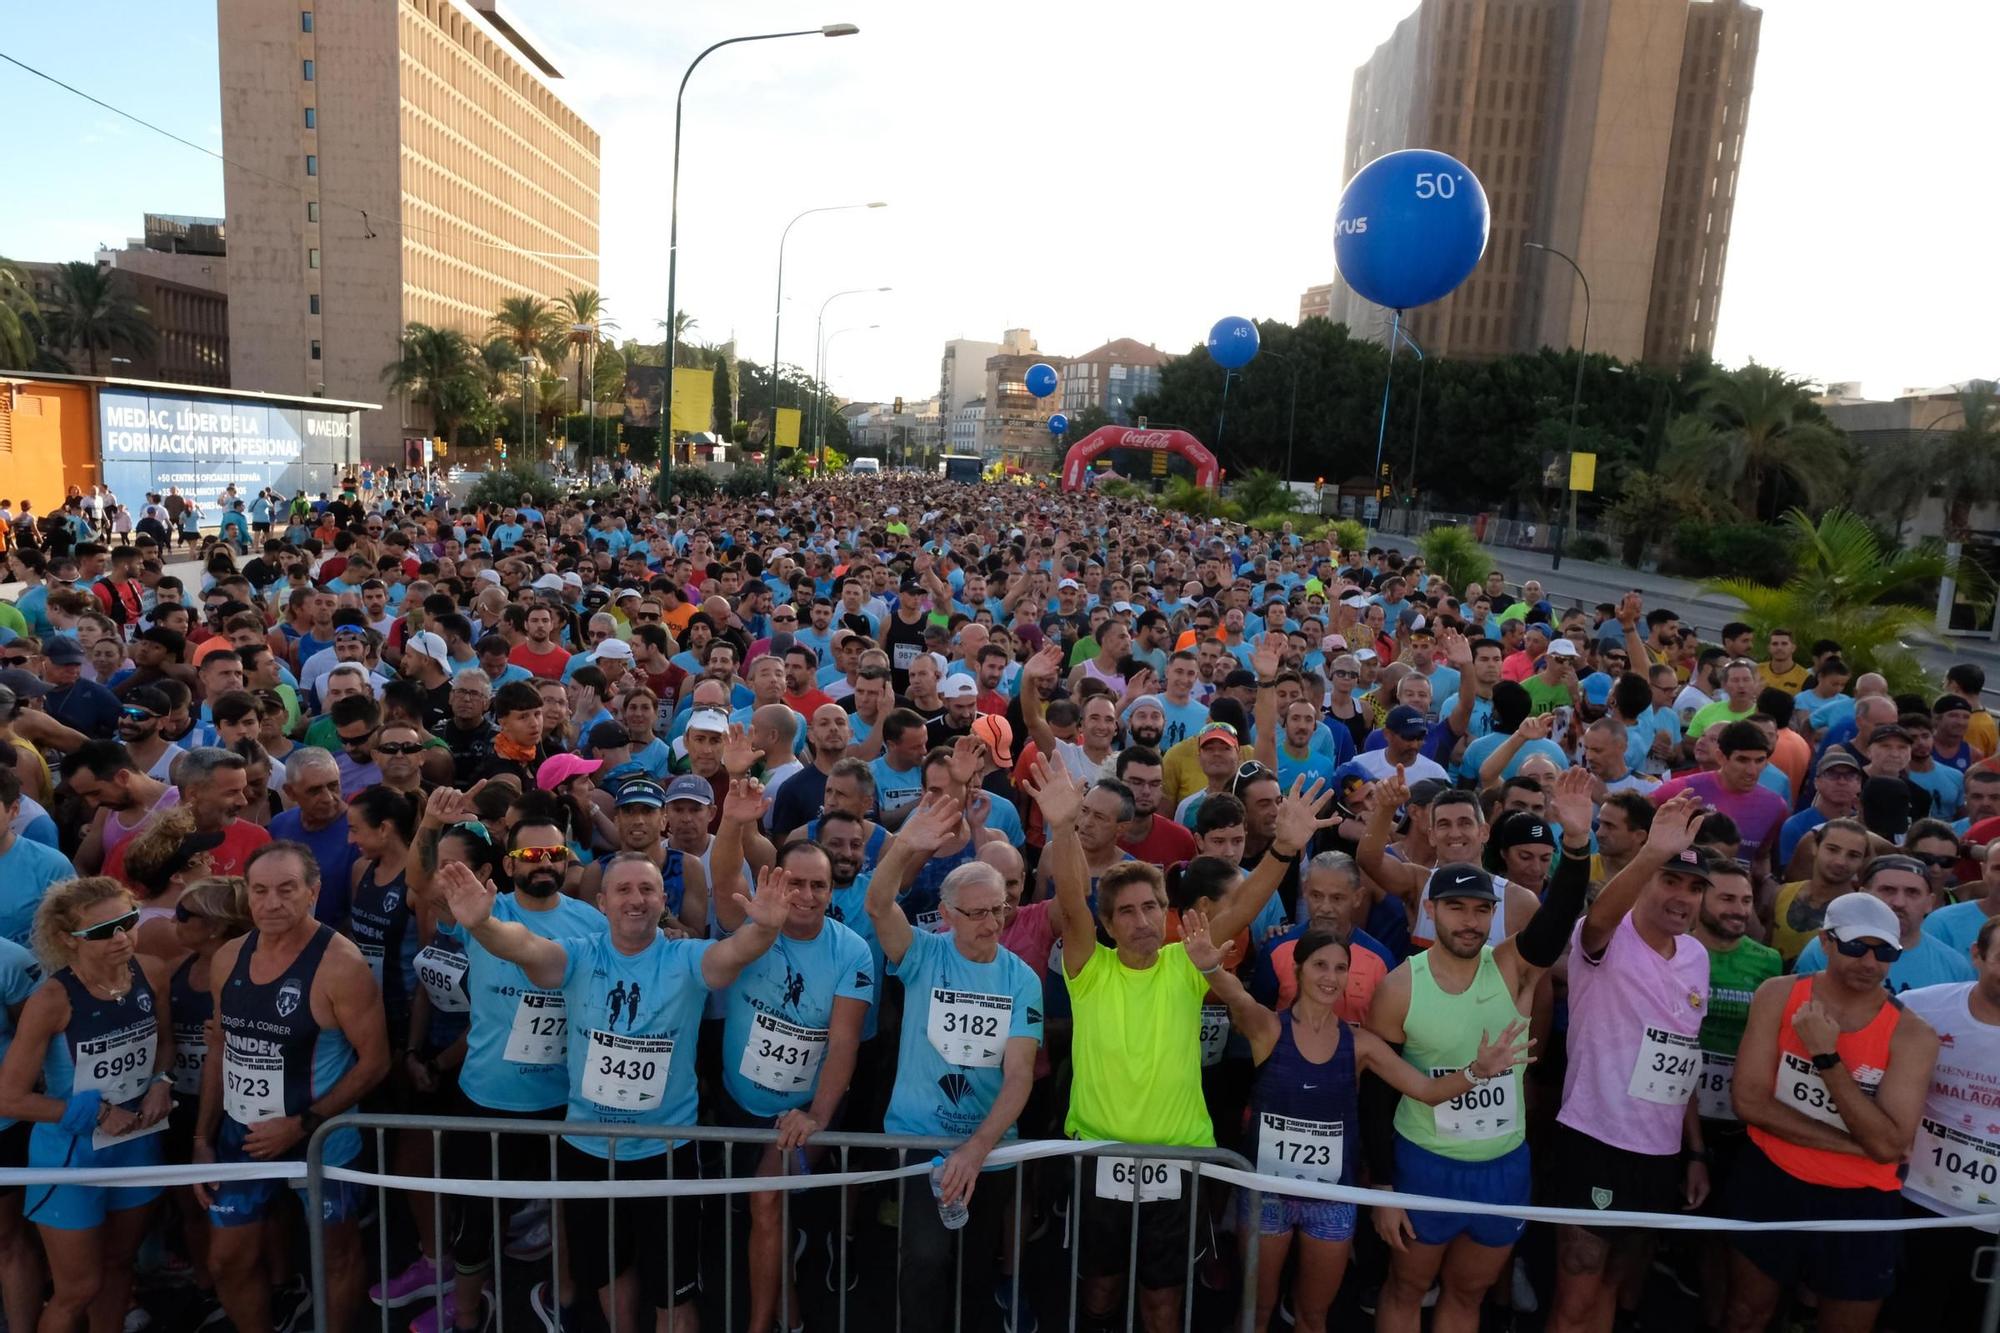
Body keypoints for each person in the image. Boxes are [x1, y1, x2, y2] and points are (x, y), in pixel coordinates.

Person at [434, 837, 800, 1333]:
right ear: (601, 902)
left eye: (647, 889)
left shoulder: (685, 959)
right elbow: (522, 946)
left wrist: (767, 927)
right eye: (623, 889)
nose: (636, 899)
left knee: (673, 1294)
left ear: (663, 899)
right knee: (609, 1277)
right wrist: (481, 923)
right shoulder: (578, 956)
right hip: (588, 1150)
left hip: (664, 1153)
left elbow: (733, 953)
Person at [1031, 754, 1334, 1333]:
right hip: (1098, 1159)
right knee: (1098, 1293)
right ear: (1109, 923)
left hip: (1179, 1160)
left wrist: (1284, 850)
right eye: (1126, 911)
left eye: (1151, 906)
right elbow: (1071, 902)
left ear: (1166, 911)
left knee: (1163, 1304)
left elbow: (1243, 905)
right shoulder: (1087, 969)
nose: (1142, 919)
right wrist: (1064, 828)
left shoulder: (1185, 962)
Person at [1197, 912, 1531, 1333]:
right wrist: (1209, 965)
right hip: (1268, 1195)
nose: (1330, 977)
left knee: (1314, 1315)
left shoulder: (1361, 1045)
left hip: (1332, 1201)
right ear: (1297, 969)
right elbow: (1236, 996)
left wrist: (1477, 1072)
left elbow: (1425, 1091)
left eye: (1340, 968)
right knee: (1256, 1312)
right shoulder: (1269, 1029)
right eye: (1320, 965)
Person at [1367, 769, 1600, 1333]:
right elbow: (1375, 1090)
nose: (1469, 922)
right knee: (1406, 1288)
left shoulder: (1511, 965)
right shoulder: (1400, 986)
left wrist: (1575, 843)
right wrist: (1380, 1188)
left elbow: (1558, 915)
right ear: (1433, 912)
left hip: (1501, 1164)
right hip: (1424, 1162)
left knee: (1468, 1294)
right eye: (1455, 909)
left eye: (1479, 911)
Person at [194, 841, 389, 1333]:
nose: (271, 902)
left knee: (335, 1256)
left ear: (313, 893)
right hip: (243, 1137)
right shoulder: (228, 958)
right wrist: (203, 1138)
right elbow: (222, 1049)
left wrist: (303, 1124)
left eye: (286, 890)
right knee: (228, 1261)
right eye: (260, 891)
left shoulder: (340, 966)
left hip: (320, 1141)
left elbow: (375, 1061)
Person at [1723, 892, 1940, 1333]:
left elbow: (1887, 1144)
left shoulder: (1912, 1035)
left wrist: (1826, 1056)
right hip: (1773, 1178)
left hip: (1860, 1203)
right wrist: (1853, 1144)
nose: (1870, 962)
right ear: (1826, 941)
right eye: (1857, 946)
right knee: (1745, 1315)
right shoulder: (1779, 994)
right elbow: (1748, 1103)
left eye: (1886, 952)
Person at [864, 795, 1042, 1331]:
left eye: (1000, 910)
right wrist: (905, 847)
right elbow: (877, 906)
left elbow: (1018, 1074)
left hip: (987, 1151)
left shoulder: (1021, 978)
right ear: (947, 915)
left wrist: (977, 1149)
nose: (993, 922)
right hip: (922, 1142)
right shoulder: (923, 953)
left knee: (972, 1268)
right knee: (924, 1259)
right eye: (978, 912)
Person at [711, 779, 874, 1333]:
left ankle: (764, 1326)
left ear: (833, 892)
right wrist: (733, 822)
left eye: (819, 887)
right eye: (796, 883)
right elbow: (722, 878)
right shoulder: (756, 924)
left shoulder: (850, 949)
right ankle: (792, 1305)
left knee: (764, 1207)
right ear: (777, 881)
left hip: (798, 1113)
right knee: (760, 1215)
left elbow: (843, 1043)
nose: (806, 896)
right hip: (739, 1103)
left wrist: (816, 1117)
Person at [0, 876, 173, 1333]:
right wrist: (94, 1113)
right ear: (66, 941)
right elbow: (9, 1098)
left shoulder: (152, 971)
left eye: (128, 922)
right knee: (77, 1289)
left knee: (119, 1268)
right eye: (102, 932)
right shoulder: (52, 1000)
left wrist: (160, 1081)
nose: (121, 938)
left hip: (136, 1143)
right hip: (70, 1156)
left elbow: (165, 1045)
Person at [1896, 919, 2000, 1330]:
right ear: (1977, 955)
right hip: (1917, 1201)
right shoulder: (1923, 1007)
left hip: (1992, 1217)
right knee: (1909, 1314)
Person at [1792, 853, 1977, 993]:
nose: (1899, 902)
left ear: (1929, 903)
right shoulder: (1828, 947)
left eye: (1912, 892)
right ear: (1864, 895)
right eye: (1887, 890)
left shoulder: (1955, 967)